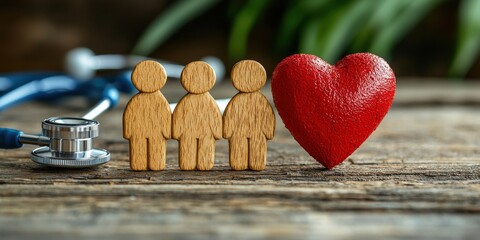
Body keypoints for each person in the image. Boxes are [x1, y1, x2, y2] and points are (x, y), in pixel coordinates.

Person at [223, 60, 275, 170]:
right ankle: (238, 162)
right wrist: (227, 131)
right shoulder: (237, 101)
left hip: (257, 132)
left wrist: (268, 131)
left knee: (257, 149)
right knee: (238, 149)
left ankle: (257, 162)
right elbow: (230, 116)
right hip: (238, 132)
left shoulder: (260, 100)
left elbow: (267, 116)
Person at [172, 61, 222, 170]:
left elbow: (215, 117)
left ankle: (205, 163)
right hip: (187, 133)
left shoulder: (209, 102)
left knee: (205, 151)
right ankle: (188, 163)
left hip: (206, 134)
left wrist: (217, 132)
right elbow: (178, 116)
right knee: (187, 152)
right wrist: (176, 132)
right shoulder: (186, 102)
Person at [123, 60, 171, 171]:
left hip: (157, 133)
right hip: (138, 132)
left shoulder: (161, 102)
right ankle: (139, 164)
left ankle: (157, 163)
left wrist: (167, 132)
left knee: (156, 150)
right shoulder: (136, 101)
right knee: (138, 151)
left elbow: (166, 116)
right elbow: (129, 116)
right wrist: (128, 132)